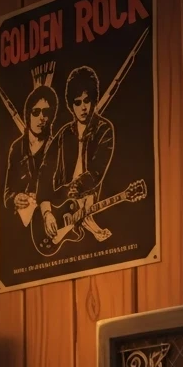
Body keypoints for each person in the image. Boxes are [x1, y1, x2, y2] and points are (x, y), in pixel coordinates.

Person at [37, 65, 115, 244]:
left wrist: (76, 190)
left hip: (88, 200)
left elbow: (96, 172)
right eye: (77, 102)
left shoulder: (104, 129)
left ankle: (93, 227)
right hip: (61, 206)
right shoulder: (64, 134)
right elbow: (45, 171)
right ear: (71, 105)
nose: (83, 107)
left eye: (86, 101)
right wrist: (47, 211)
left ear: (94, 100)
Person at [2, 84, 58, 224]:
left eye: (46, 112)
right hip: (22, 225)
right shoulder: (16, 148)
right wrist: (16, 198)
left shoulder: (57, 147)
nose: (41, 118)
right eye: (36, 112)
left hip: (49, 220)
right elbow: (7, 194)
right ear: (28, 114)